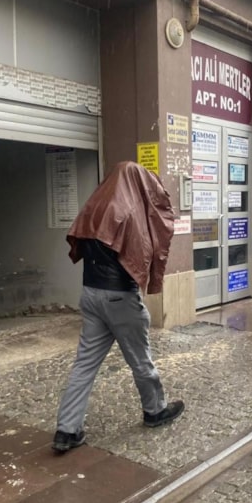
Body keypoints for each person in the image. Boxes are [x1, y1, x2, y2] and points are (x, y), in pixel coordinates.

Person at [52, 161, 185, 454]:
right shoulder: (129, 211)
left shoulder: (94, 204)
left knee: (84, 364)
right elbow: (142, 251)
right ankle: (155, 410)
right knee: (141, 360)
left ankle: (67, 430)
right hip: (119, 297)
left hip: (90, 293)